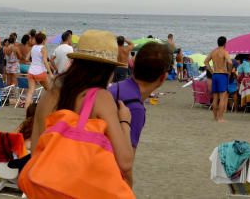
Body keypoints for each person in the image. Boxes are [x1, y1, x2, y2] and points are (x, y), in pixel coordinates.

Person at [25, 30, 134, 191]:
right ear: (107, 70)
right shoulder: (100, 98)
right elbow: (125, 162)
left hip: (48, 188)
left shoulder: (49, 96)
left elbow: (36, 150)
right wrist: (125, 121)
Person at [109, 41, 172, 187]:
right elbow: (126, 162)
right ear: (162, 78)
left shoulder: (116, 88)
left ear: (134, 64)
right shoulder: (135, 108)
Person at [204, 36, 232, 122]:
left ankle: (215, 117)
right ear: (225, 43)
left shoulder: (213, 52)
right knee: (222, 98)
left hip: (215, 75)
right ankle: (220, 118)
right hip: (222, 75)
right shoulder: (224, 52)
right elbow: (230, 62)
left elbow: (205, 61)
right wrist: (229, 71)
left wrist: (211, 71)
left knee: (215, 98)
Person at [25, 32, 52, 109]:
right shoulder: (43, 48)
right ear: (43, 40)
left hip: (31, 71)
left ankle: (27, 109)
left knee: (30, 91)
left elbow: (26, 58)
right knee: (49, 90)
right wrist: (50, 73)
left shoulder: (33, 47)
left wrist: (33, 62)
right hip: (40, 72)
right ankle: (48, 107)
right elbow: (45, 61)